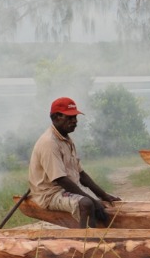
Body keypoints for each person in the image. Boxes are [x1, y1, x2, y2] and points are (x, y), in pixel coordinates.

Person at [29, 97, 120, 227]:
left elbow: (81, 174)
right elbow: (61, 179)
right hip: (50, 194)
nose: (75, 121)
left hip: (66, 188)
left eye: (75, 117)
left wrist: (104, 195)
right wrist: (93, 201)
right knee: (87, 203)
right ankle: (86, 237)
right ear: (56, 117)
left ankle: (100, 231)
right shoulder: (49, 143)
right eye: (70, 117)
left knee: (104, 203)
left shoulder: (66, 139)